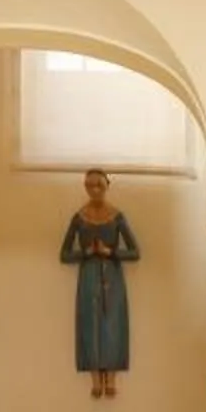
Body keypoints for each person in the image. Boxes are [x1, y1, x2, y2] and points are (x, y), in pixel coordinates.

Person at [60, 169, 139, 397]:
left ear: (107, 185)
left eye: (99, 185)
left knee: (112, 323)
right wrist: (85, 252)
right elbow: (64, 254)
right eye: (90, 185)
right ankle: (95, 376)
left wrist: (110, 251)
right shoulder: (79, 217)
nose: (95, 190)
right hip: (89, 276)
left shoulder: (116, 216)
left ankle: (111, 376)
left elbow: (135, 252)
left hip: (112, 277)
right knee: (90, 322)